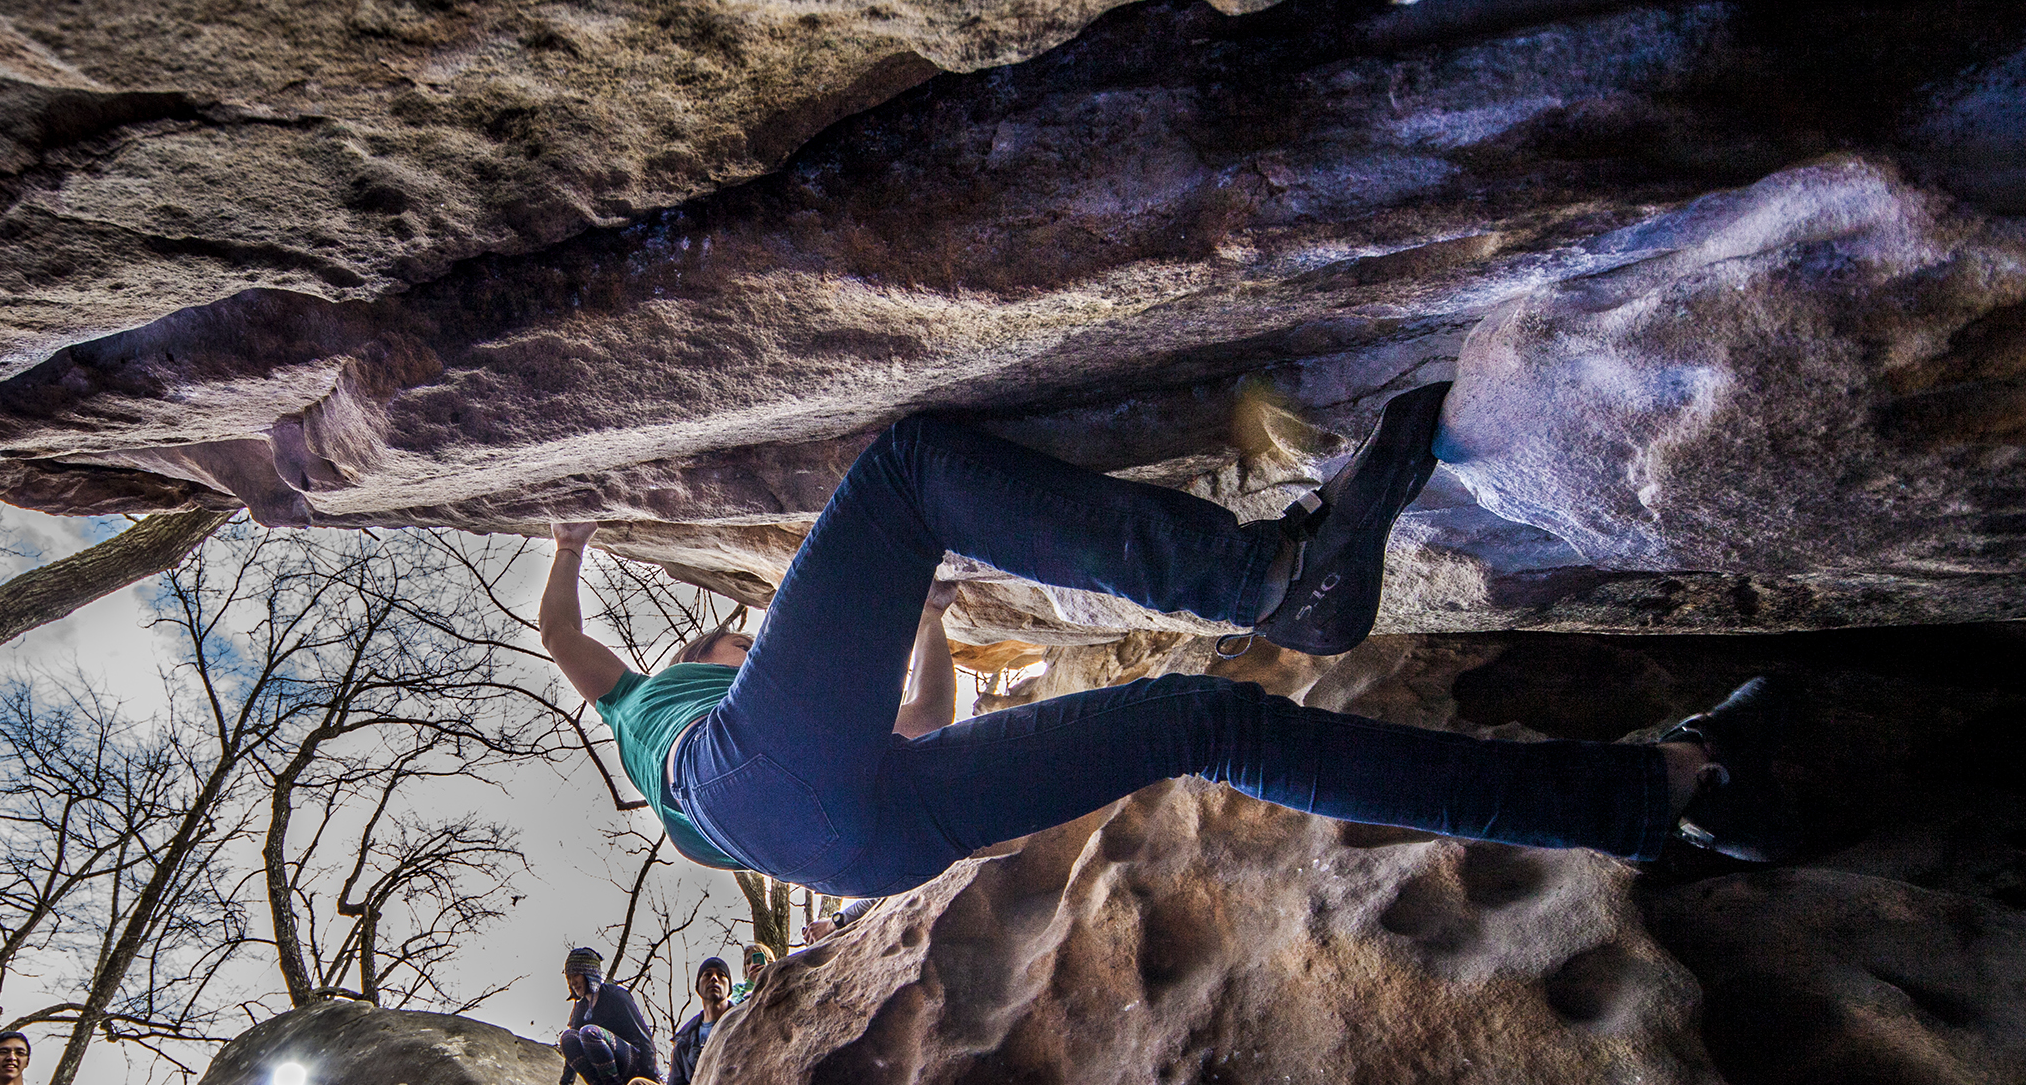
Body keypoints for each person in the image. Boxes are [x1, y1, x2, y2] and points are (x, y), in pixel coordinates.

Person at [536, 389, 1796, 897]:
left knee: (1206, 722)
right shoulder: (649, 709)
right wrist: (567, 537)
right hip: (759, 792)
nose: (726, 626)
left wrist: (925, 628)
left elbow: (919, 730)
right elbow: (563, 635)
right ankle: (1271, 573)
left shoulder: (763, 727)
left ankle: (1653, 796)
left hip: (862, 844)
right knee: (907, 470)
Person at [620, 956, 730, 1085]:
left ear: (729, 987)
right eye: (708, 975)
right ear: (698, 987)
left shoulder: (743, 1019)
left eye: (721, 975)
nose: (714, 979)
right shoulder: (685, 1040)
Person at [531, 946, 659, 1085]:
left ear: (589, 973)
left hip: (633, 1066)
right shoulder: (581, 1008)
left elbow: (645, 1037)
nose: (572, 981)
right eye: (569, 976)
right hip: (609, 1070)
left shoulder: (617, 996)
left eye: (576, 975)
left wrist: (651, 1082)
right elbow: (571, 1051)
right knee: (568, 1037)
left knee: (589, 1032)